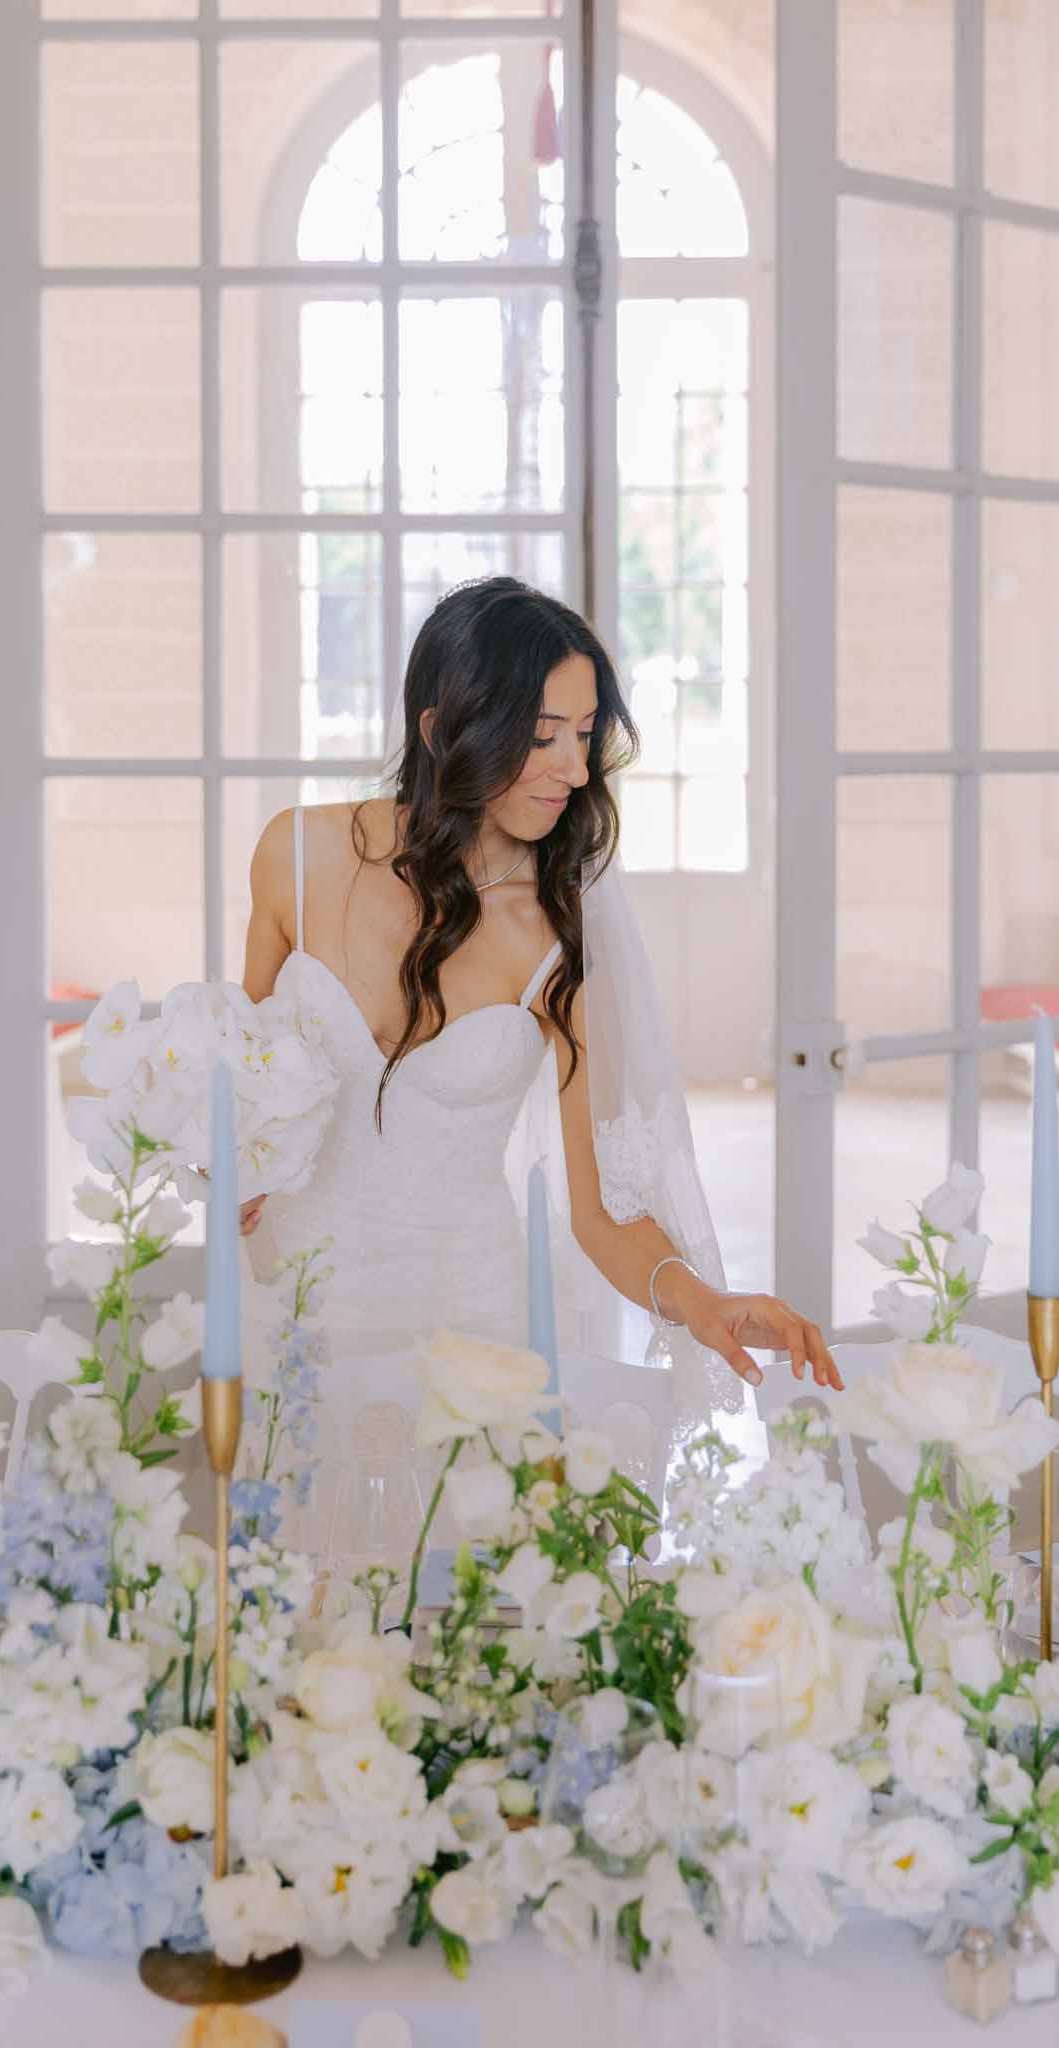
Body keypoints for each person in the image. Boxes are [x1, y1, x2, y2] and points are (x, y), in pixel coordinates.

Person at [237, 577, 840, 1482]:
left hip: (469, 1331)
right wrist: (219, 1162)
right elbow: (236, 1088)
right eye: (541, 736)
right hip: (289, 1315)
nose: (576, 767)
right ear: (442, 732)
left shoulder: (560, 933)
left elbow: (600, 1215)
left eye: (585, 732)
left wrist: (702, 1302)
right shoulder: (293, 854)